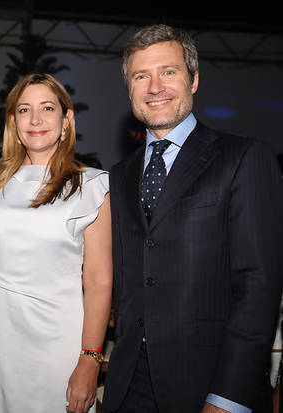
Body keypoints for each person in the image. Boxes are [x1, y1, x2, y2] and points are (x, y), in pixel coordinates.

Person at [103, 24, 283, 413]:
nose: (155, 87)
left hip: (210, 385)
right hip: (129, 385)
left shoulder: (244, 159)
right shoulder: (119, 175)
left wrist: (227, 398)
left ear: (194, 80)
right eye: (141, 76)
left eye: (168, 72)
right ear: (129, 88)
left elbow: (259, 285)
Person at [0, 73, 113, 413]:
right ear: (13, 121)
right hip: (0, 342)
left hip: (60, 348)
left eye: (47, 108)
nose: (35, 119)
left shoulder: (91, 186)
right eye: (24, 110)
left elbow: (98, 282)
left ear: (66, 120)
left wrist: (90, 360)